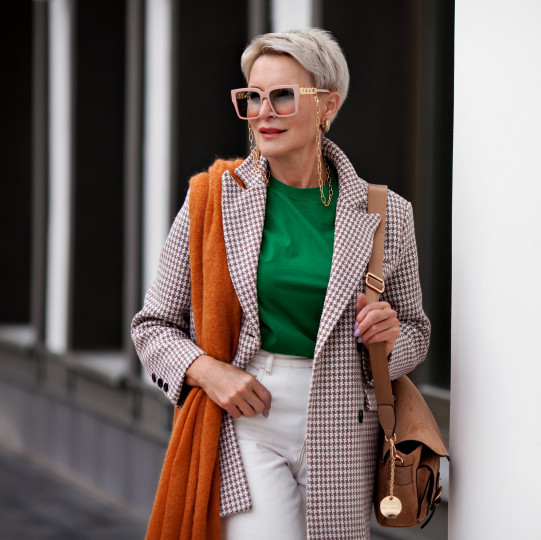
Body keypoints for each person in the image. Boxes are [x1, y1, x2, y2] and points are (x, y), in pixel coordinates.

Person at [131, 29, 430, 540]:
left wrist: (388, 339)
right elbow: (153, 325)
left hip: (344, 425)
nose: (263, 112)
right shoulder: (211, 200)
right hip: (249, 414)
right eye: (252, 97)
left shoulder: (387, 213)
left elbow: (417, 333)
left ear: (328, 105)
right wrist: (209, 372)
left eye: (283, 96)